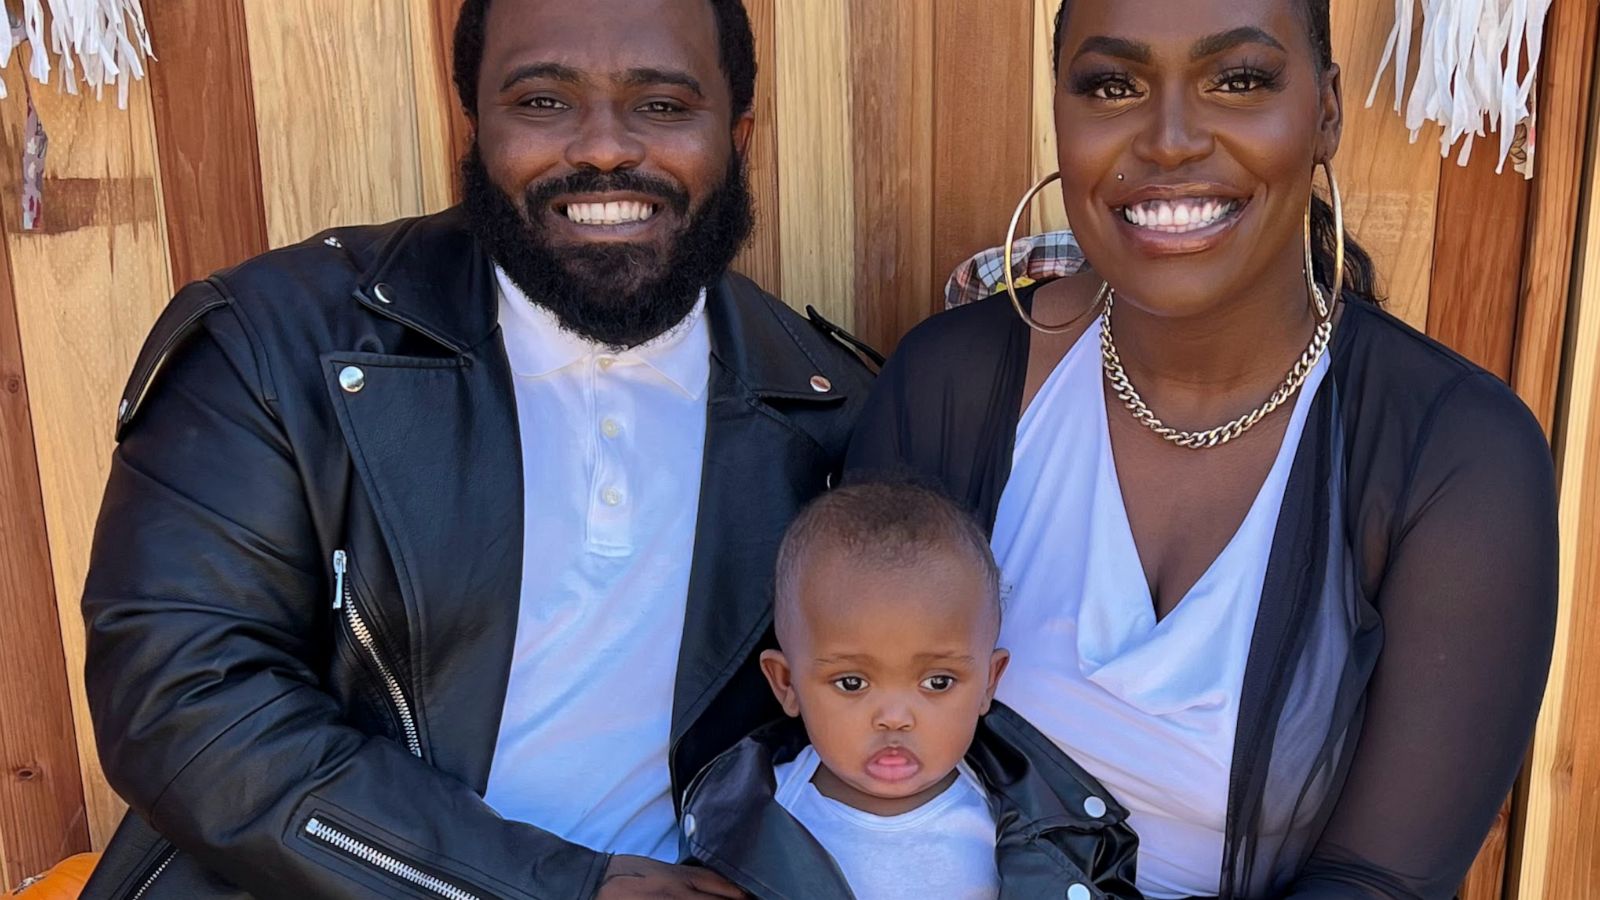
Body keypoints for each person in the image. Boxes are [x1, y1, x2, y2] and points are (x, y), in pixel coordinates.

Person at [78, 0, 872, 897]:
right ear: (476, 125)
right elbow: (182, 703)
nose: (604, 149)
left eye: (661, 105)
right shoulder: (277, 346)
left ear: (738, 135)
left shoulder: (827, 413)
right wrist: (549, 887)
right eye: (542, 102)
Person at [846, 1, 1558, 897]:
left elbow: (1377, 881)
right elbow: (837, 754)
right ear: (1059, 115)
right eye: (1113, 86)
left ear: (1326, 112)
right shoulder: (951, 385)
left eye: (1239, 81)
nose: (1171, 139)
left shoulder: (1455, 459)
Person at [680, 482, 1140, 899]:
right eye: (852, 683)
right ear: (787, 684)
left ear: (988, 682)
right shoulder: (753, 824)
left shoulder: (1029, 830)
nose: (895, 716)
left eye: (937, 682)